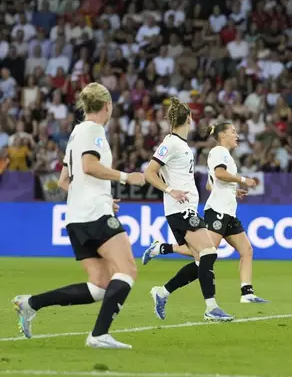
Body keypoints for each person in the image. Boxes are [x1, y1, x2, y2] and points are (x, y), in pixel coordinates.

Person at [12, 83, 146, 349]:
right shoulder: (94, 130)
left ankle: (30, 304)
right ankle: (98, 335)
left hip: (77, 216)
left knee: (100, 285)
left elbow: (64, 180)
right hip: (93, 214)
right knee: (128, 269)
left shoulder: (75, 134)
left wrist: (103, 197)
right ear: (107, 106)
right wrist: (125, 176)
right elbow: (89, 166)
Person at [143, 121, 267, 313]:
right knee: (204, 255)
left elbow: (211, 184)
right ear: (223, 134)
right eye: (233, 132)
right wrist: (243, 179)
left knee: (246, 250)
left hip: (228, 211)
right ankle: (163, 254)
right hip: (217, 211)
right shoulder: (219, 152)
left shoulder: (224, 155)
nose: (237, 135)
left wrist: (233, 191)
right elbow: (219, 174)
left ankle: (247, 293)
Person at [143, 97, 233, 322]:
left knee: (201, 261)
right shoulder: (171, 143)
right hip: (180, 210)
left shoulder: (181, 145)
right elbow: (149, 172)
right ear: (189, 119)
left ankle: (161, 292)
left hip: (188, 208)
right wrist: (170, 190)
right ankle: (211, 308)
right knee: (209, 253)